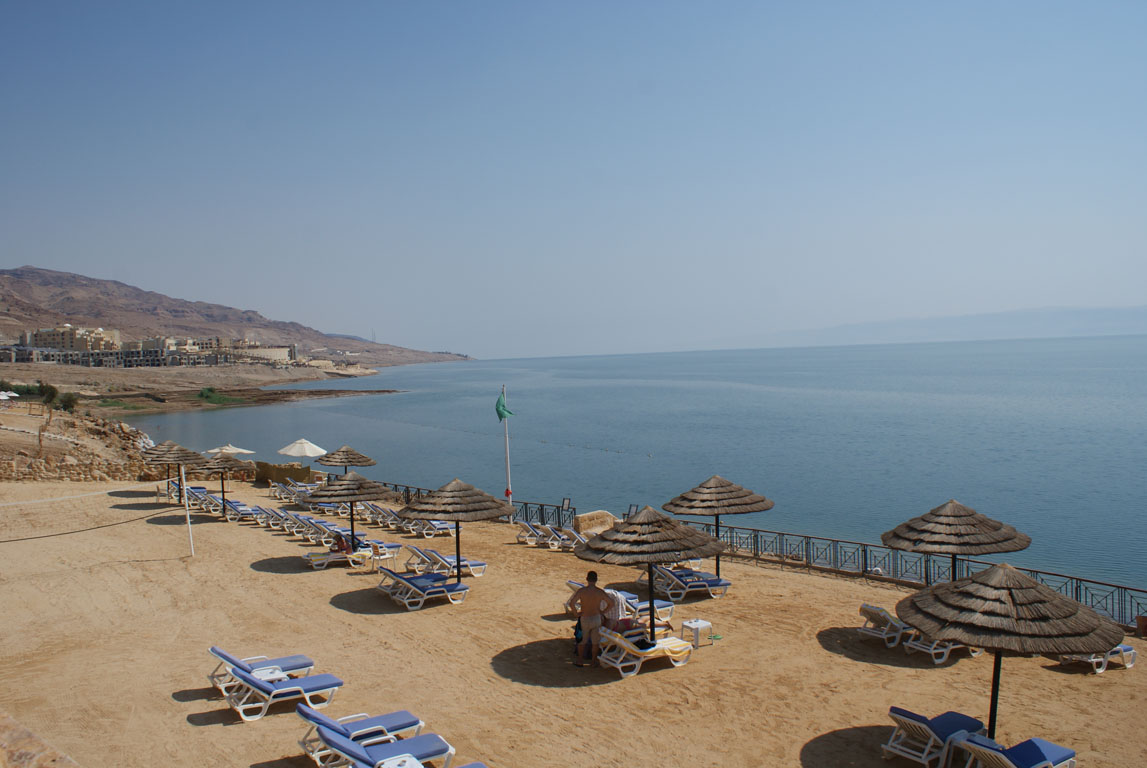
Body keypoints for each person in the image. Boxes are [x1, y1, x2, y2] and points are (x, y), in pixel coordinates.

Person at [565, 571, 617, 666]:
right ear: (596, 580)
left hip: (585, 617)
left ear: (587, 579)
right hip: (596, 618)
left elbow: (572, 603)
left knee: (582, 641)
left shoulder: (582, 591)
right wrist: (602, 612)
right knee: (595, 642)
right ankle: (593, 661)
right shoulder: (600, 592)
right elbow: (611, 603)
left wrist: (576, 614)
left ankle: (580, 661)